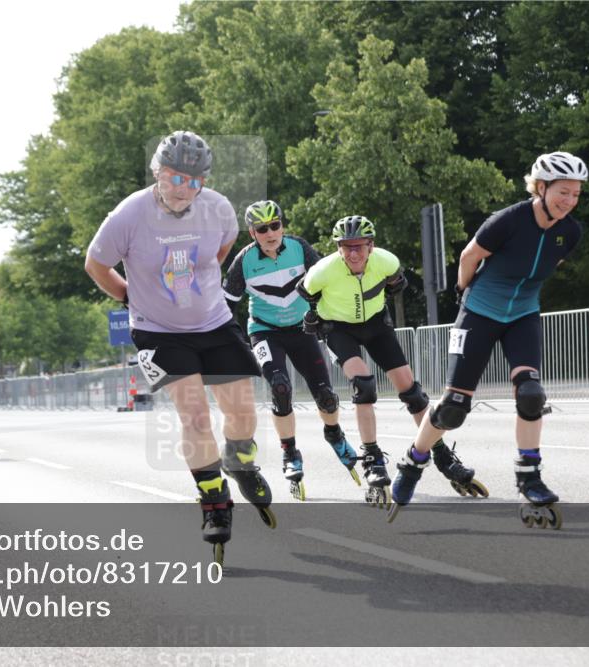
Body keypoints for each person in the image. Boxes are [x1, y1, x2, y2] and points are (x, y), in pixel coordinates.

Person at [85, 130, 273, 564]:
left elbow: (220, 251)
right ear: (158, 171)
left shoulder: (219, 209)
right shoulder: (129, 214)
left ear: (203, 182)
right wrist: (127, 296)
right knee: (194, 413)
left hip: (213, 323)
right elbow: (96, 264)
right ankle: (212, 497)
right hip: (157, 331)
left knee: (243, 413)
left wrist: (200, 289)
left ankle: (239, 461)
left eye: (192, 181)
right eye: (173, 177)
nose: (181, 189)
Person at [388, 151, 587, 527]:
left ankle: (529, 475)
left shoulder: (570, 231)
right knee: (453, 408)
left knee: (530, 394)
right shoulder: (508, 220)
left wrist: (520, 296)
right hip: (479, 311)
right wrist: (464, 292)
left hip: (523, 314)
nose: (570, 201)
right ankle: (412, 462)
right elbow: (470, 255)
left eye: (576, 194)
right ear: (540, 187)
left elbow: (545, 267)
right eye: (563, 192)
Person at [298, 215, 486, 508]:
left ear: (371, 246)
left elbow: (396, 281)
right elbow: (303, 292)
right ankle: (372, 458)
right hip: (339, 328)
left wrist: (394, 285)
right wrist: (313, 316)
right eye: (346, 247)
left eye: (359, 246)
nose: (353, 254)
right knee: (364, 386)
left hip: (375, 325)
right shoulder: (323, 271)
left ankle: (441, 453)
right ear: (338, 248)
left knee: (411, 391)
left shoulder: (387, 262)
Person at [223, 200, 360, 501]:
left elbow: (327, 283)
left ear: (282, 225)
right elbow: (226, 307)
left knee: (325, 395)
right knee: (281, 388)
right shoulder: (243, 262)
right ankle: (290, 453)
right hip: (264, 332)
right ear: (252, 233)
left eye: (275, 225)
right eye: (263, 229)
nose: (271, 233)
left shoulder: (300, 249)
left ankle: (335, 434)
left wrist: (327, 318)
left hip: (301, 330)